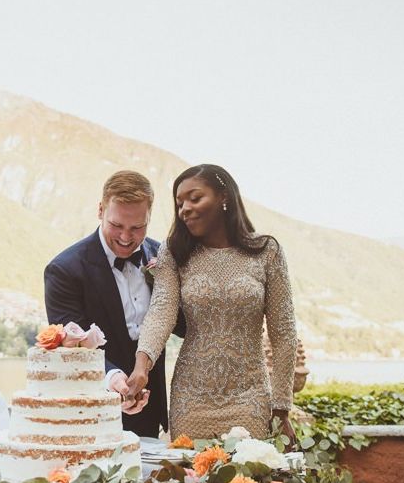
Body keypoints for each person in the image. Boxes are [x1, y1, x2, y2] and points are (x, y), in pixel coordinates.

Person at [127, 164, 297, 442]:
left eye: (195, 198)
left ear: (224, 197)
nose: (185, 209)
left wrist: (281, 408)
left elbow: (285, 333)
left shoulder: (267, 251)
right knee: (189, 481)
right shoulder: (174, 252)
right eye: (180, 203)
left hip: (249, 397)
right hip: (190, 397)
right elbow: (161, 311)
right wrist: (141, 366)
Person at [44, 170, 185, 438]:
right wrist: (113, 379)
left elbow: (183, 324)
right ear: (100, 210)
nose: (126, 237)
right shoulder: (64, 270)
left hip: (150, 410)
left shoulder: (164, 258)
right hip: (89, 415)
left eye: (137, 227)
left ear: (149, 218)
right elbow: (75, 347)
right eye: (117, 225)